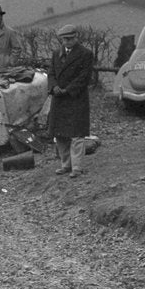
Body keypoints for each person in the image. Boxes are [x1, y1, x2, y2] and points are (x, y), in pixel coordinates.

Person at [47, 24, 93, 178]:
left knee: (77, 134)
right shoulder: (56, 54)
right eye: (64, 39)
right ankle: (66, 165)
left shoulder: (85, 54)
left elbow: (84, 77)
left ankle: (77, 168)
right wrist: (54, 88)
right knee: (60, 134)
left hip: (76, 98)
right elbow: (51, 73)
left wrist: (68, 89)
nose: (67, 42)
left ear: (76, 37)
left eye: (70, 39)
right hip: (59, 99)